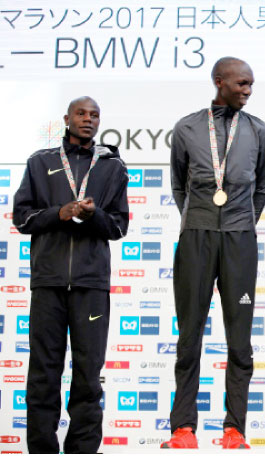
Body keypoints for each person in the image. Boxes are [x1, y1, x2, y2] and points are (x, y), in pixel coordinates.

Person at [162, 57, 265, 450]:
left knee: (239, 340)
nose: (248, 90)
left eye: (251, 84)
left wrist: (241, 223)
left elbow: (262, 188)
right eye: (242, 83)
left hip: (240, 240)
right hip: (196, 236)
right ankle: (182, 428)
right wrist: (200, 219)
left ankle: (234, 429)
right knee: (189, 335)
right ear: (219, 81)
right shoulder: (188, 127)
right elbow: (179, 187)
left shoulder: (259, 130)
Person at [12, 96, 129, 453]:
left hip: (91, 285)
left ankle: (82, 449)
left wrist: (92, 215)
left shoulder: (113, 167)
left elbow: (119, 226)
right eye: (81, 113)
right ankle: (42, 448)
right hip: (47, 282)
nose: (88, 119)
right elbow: (22, 218)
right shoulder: (40, 162)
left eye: (95, 115)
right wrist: (59, 213)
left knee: (88, 374)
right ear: (67, 118)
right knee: (43, 373)